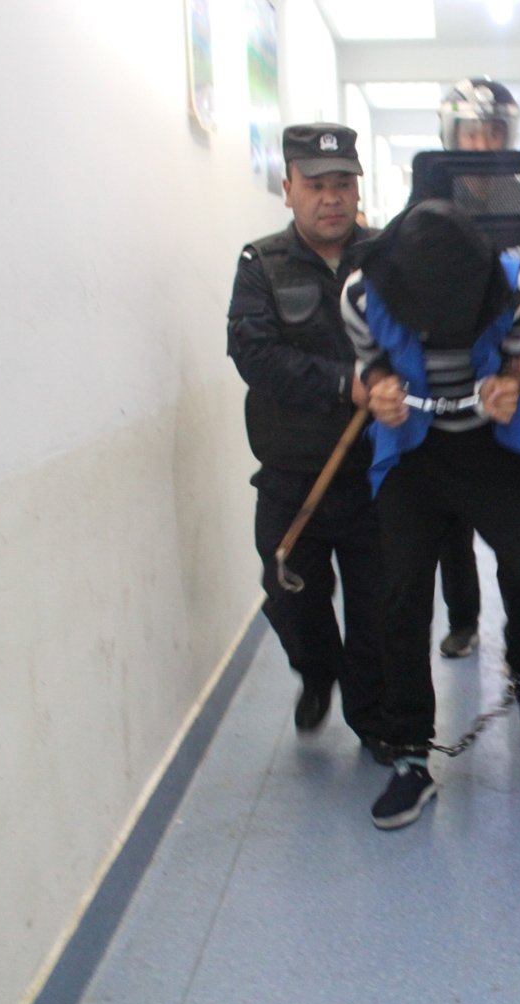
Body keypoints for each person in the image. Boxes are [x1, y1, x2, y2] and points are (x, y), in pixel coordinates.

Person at [342, 200, 520, 830]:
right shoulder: (363, 295)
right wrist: (380, 391)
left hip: (493, 446)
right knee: (400, 598)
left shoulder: (511, 284)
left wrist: (515, 383)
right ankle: (411, 757)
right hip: (414, 451)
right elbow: (369, 370)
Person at [226, 122, 390, 745]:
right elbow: (254, 356)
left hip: (374, 476)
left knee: (377, 610)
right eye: (317, 184)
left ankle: (373, 721)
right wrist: (344, 382)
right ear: (289, 189)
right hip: (292, 478)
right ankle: (317, 671)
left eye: (343, 183)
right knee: (290, 598)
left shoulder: (387, 256)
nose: (332, 197)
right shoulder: (261, 265)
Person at [418, 76, 520, 660]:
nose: (483, 145)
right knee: (448, 531)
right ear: (451, 136)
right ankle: (463, 619)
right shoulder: (426, 211)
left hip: (510, 407)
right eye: (471, 132)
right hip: (441, 402)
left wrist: (518, 375)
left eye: (493, 133)